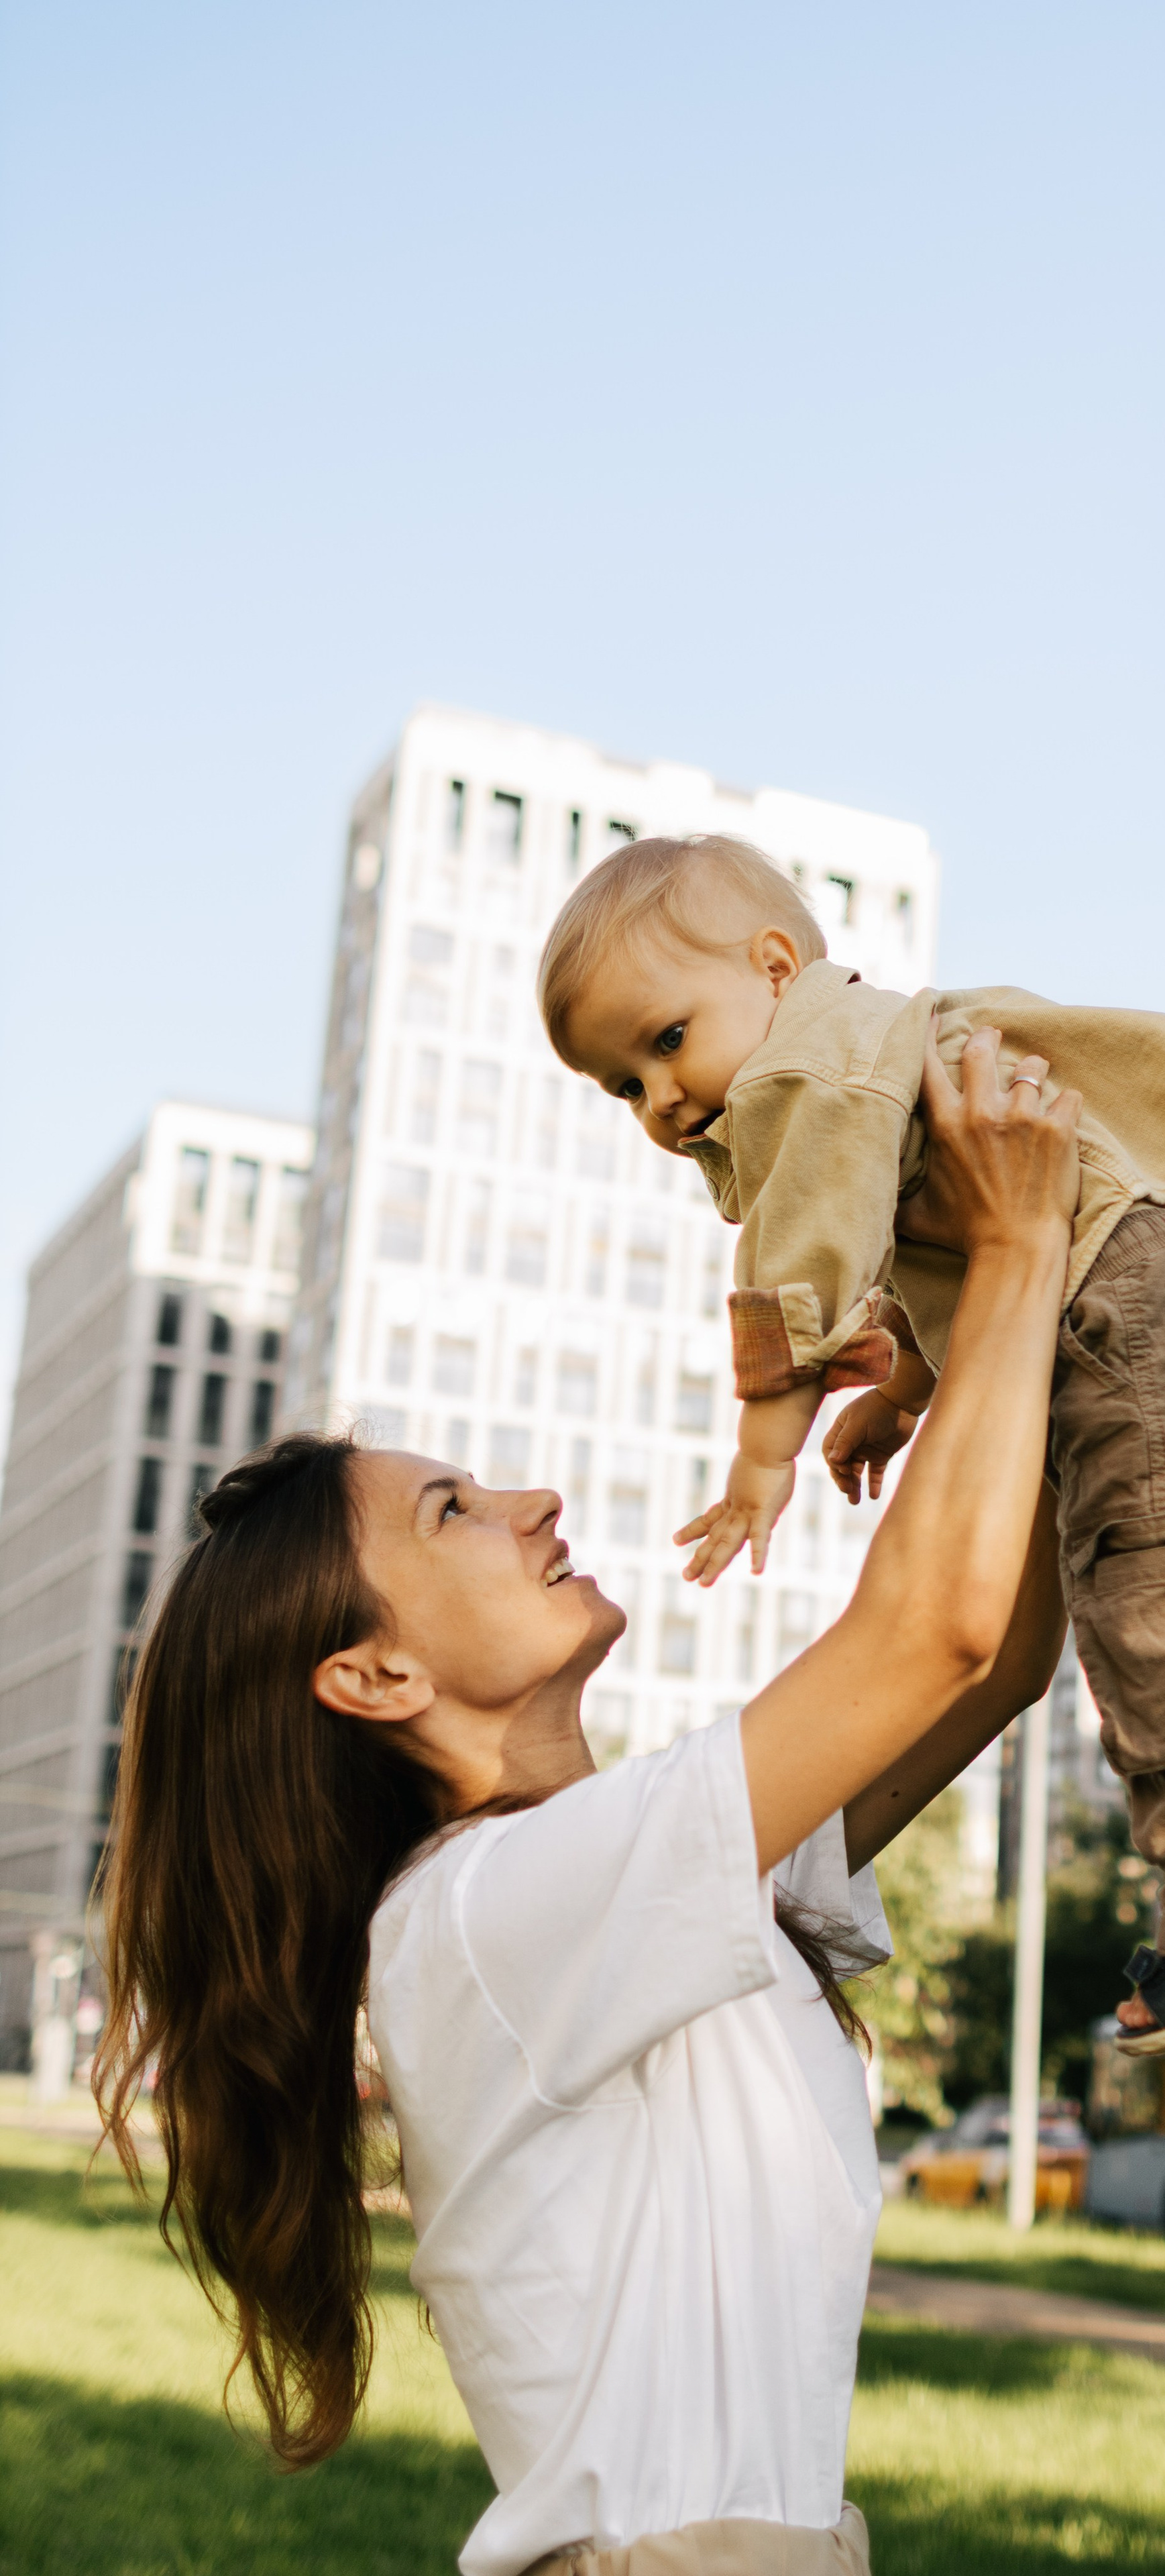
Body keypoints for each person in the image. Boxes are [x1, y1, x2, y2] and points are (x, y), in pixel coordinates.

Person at [95, 1026, 1078, 2576]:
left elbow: (995, 1658)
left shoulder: (629, 1881)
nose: (531, 1499)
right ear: (371, 1679)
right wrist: (1018, 1243)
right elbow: (931, 1632)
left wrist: (963, 1349)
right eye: (452, 1511)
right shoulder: (486, 1915)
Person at [537, 835, 1165, 2055]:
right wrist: (900, 1394)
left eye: (664, 1041)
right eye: (622, 1086)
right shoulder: (882, 1055)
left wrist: (766, 1453)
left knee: (1153, 1600)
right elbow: (948, 1259)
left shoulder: (802, 1079)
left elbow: (801, 1270)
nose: (661, 1099)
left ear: (777, 968)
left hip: (1136, 1324)